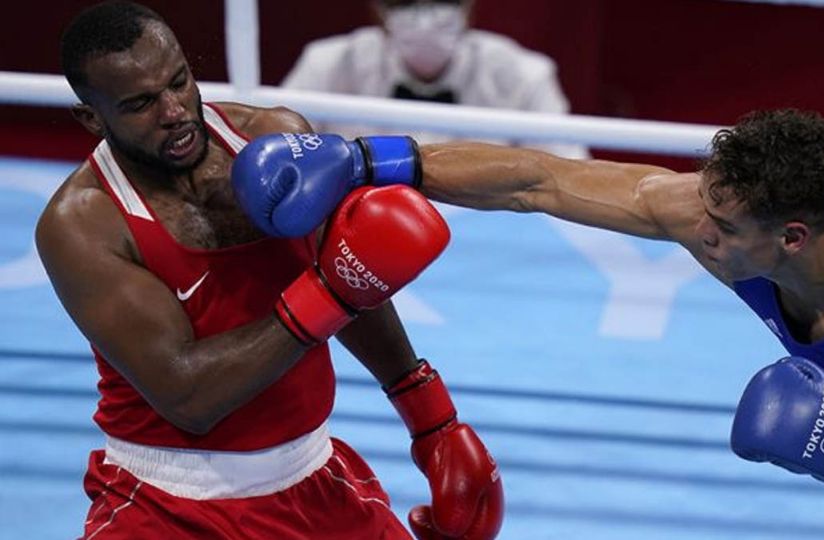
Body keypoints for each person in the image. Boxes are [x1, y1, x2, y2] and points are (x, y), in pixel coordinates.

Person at [231, 110, 824, 539]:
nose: (696, 230)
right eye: (705, 203)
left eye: (723, 225)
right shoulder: (724, 222)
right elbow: (536, 180)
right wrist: (370, 162)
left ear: (792, 237)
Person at [36, 2, 503, 539]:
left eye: (180, 81)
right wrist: (331, 292)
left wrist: (432, 421)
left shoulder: (273, 140)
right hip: (167, 505)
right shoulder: (84, 223)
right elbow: (189, 396)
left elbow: (352, 275)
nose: (175, 112)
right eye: (141, 103)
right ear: (92, 117)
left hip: (311, 477)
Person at [281, 0, 589, 159]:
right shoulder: (327, 65)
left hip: (493, 250)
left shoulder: (525, 75)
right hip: (356, 244)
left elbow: (570, 172)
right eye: (405, 2)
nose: (424, 19)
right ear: (377, 9)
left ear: (470, 6)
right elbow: (273, 155)